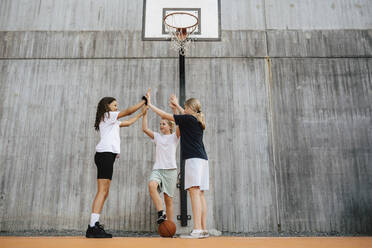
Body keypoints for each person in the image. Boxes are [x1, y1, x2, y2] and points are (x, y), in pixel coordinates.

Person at [146, 91, 209, 238]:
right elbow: (184, 115)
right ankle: (203, 228)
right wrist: (177, 106)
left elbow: (166, 115)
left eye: (185, 108)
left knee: (193, 192)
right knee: (200, 194)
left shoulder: (188, 119)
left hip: (193, 159)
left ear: (190, 108)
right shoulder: (197, 120)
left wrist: (150, 105)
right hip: (203, 160)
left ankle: (197, 229)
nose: (184, 110)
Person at [86, 93, 148, 238]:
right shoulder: (108, 116)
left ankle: (94, 224)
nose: (116, 107)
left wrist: (141, 114)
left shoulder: (112, 121)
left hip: (107, 156)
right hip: (105, 155)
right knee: (102, 191)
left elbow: (129, 121)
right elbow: (128, 112)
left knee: (105, 191)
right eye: (114, 105)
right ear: (107, 107)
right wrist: (143, 101)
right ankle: (92, 226)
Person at [141, 104, 180, 225]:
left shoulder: (175, 137)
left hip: (170, 170)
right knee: (152, 185)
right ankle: (161, 213)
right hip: (158, 169)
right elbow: (145, 129)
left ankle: (170, 226)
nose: (161, 125)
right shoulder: (157, 137)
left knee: (168, 200)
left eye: (163, 124)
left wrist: (174, 110)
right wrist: (145, 114)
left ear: (170, 126)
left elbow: (179, 124)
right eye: (160, 124)